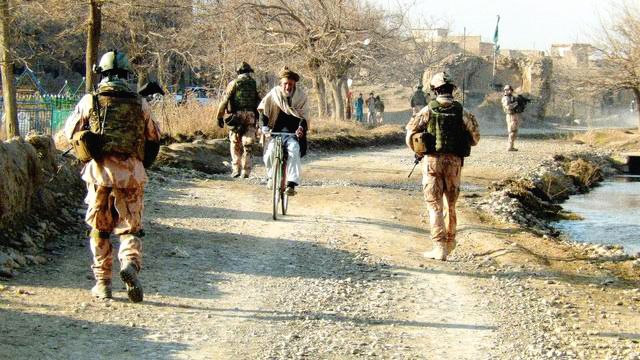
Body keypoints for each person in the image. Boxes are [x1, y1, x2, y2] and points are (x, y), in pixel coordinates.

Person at [64, 50, 161, 302]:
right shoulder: (140, 103)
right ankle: (129, 263)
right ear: (126, 75)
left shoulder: (90, 100)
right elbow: (154, 137)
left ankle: (103, 283)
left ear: (102, 74)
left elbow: (70, 131)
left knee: (99, 229)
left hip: (98, 174)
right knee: (130, 228)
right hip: (131, 176)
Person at [405, 72, 480, 261]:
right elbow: (475, 138)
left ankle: (439, 247)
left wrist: (418, 149)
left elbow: (410, 134)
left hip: (432, 162)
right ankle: (450, 241)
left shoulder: (427, 110)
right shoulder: (463, 112)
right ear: (452, 90)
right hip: (455, 163)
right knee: (450, 204)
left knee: (434, 205)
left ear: (434, 90)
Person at [258, 67, 308, 196]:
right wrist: (264, 126)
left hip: (292, 134)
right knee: (269, 153)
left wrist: (301, 128)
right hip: (275, 133)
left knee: (294, 150)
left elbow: (304, 117)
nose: (288, 87)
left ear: (294, 84)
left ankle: (291, 184)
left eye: (290, 84)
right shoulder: (273, 94)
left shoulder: (301, 97)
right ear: (281, 83)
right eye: (285, 83)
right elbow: (264, 111)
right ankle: (270, 177)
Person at [216, 62, 261, 178]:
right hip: (251, 115)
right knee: (248, 143)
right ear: (249, 72)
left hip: (237, 116)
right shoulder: (255, 84)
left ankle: (236, 169)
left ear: (238, 72)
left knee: (235, 142)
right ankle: (246, 171)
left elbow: (225, 100)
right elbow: (260, 101)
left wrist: (219, 116)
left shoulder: (233, 83)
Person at [501, 84, 519, 151]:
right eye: (505, 89)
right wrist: (516, 103)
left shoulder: (511, 97)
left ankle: (511, 146)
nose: (506, 91)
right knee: (512, 131)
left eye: (507, 89)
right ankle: (510, 147)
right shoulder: (506, 98)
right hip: (510, 116)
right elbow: (508, 107)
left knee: (514, 131)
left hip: (513, 115)